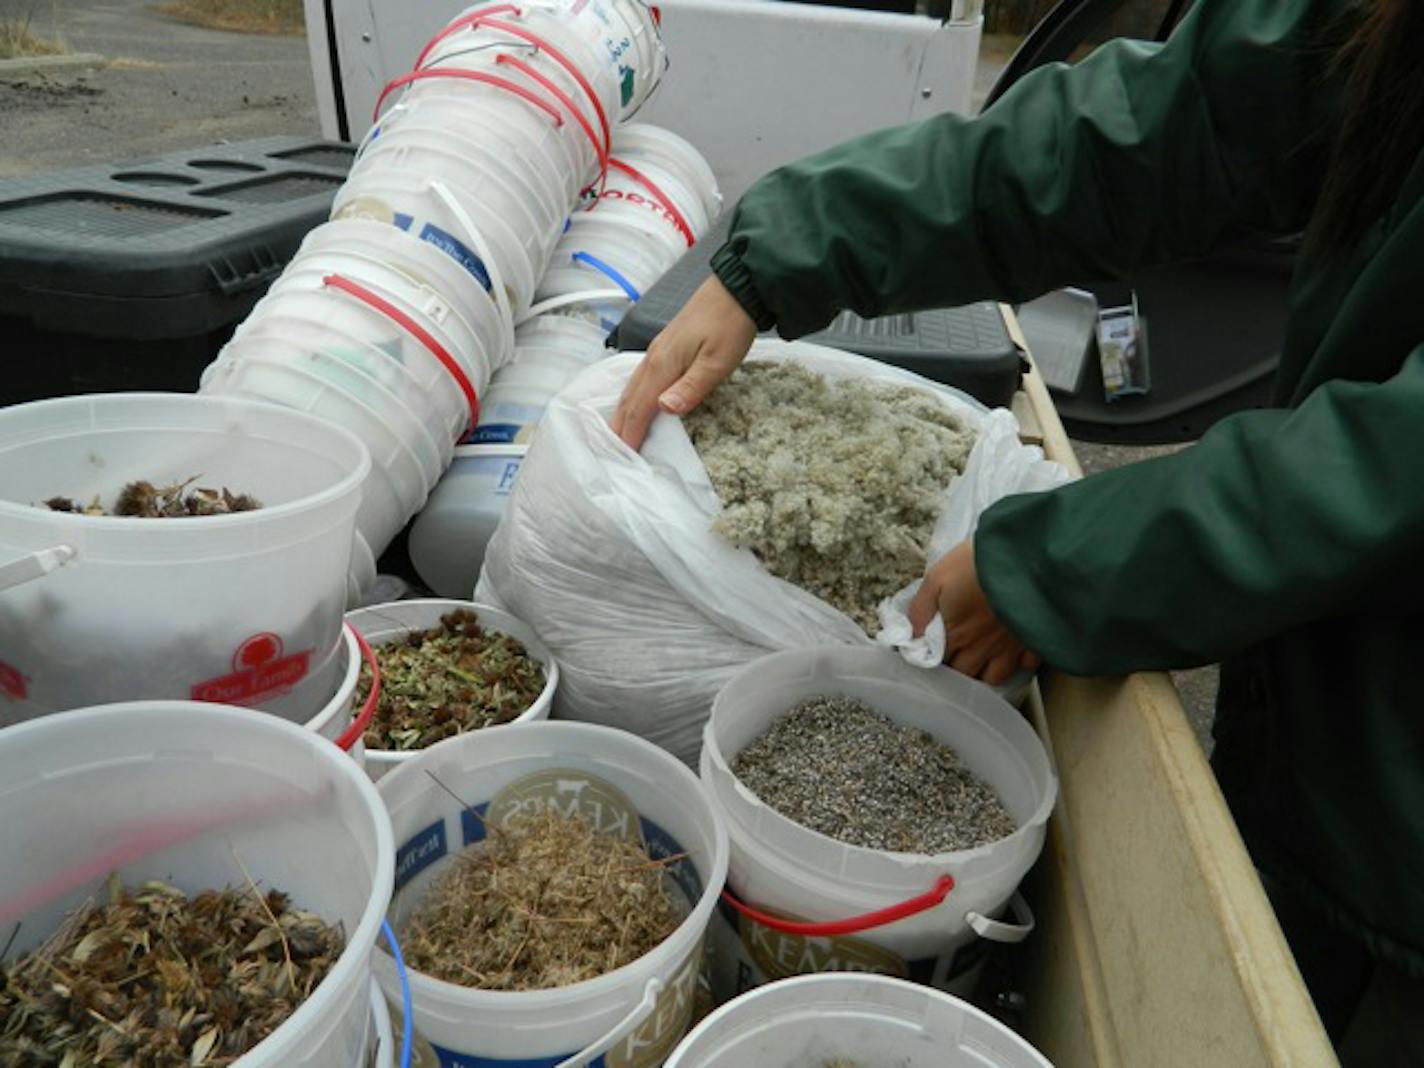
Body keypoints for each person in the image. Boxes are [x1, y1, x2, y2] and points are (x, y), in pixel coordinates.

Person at [610, 0, 1424, 1057]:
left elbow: (1384, 466)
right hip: (1318, 746)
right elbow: (1155, 131)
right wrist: (794, 246)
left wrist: (1058, 567)